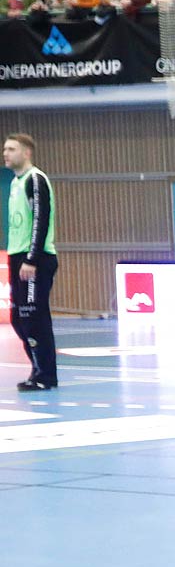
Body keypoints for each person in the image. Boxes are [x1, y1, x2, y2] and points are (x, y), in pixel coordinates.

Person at [5, 133, 57, 391]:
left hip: (35, 258)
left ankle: (45, 375)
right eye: (5, 149)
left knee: (33, 317)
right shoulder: (15, 183)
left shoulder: (35, 180)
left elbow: (40, 219)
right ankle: (39, 369)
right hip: (17, 257)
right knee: (18, 317)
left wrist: (32, 257)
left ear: (26, 153)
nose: (5, 153)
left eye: (11, 149)